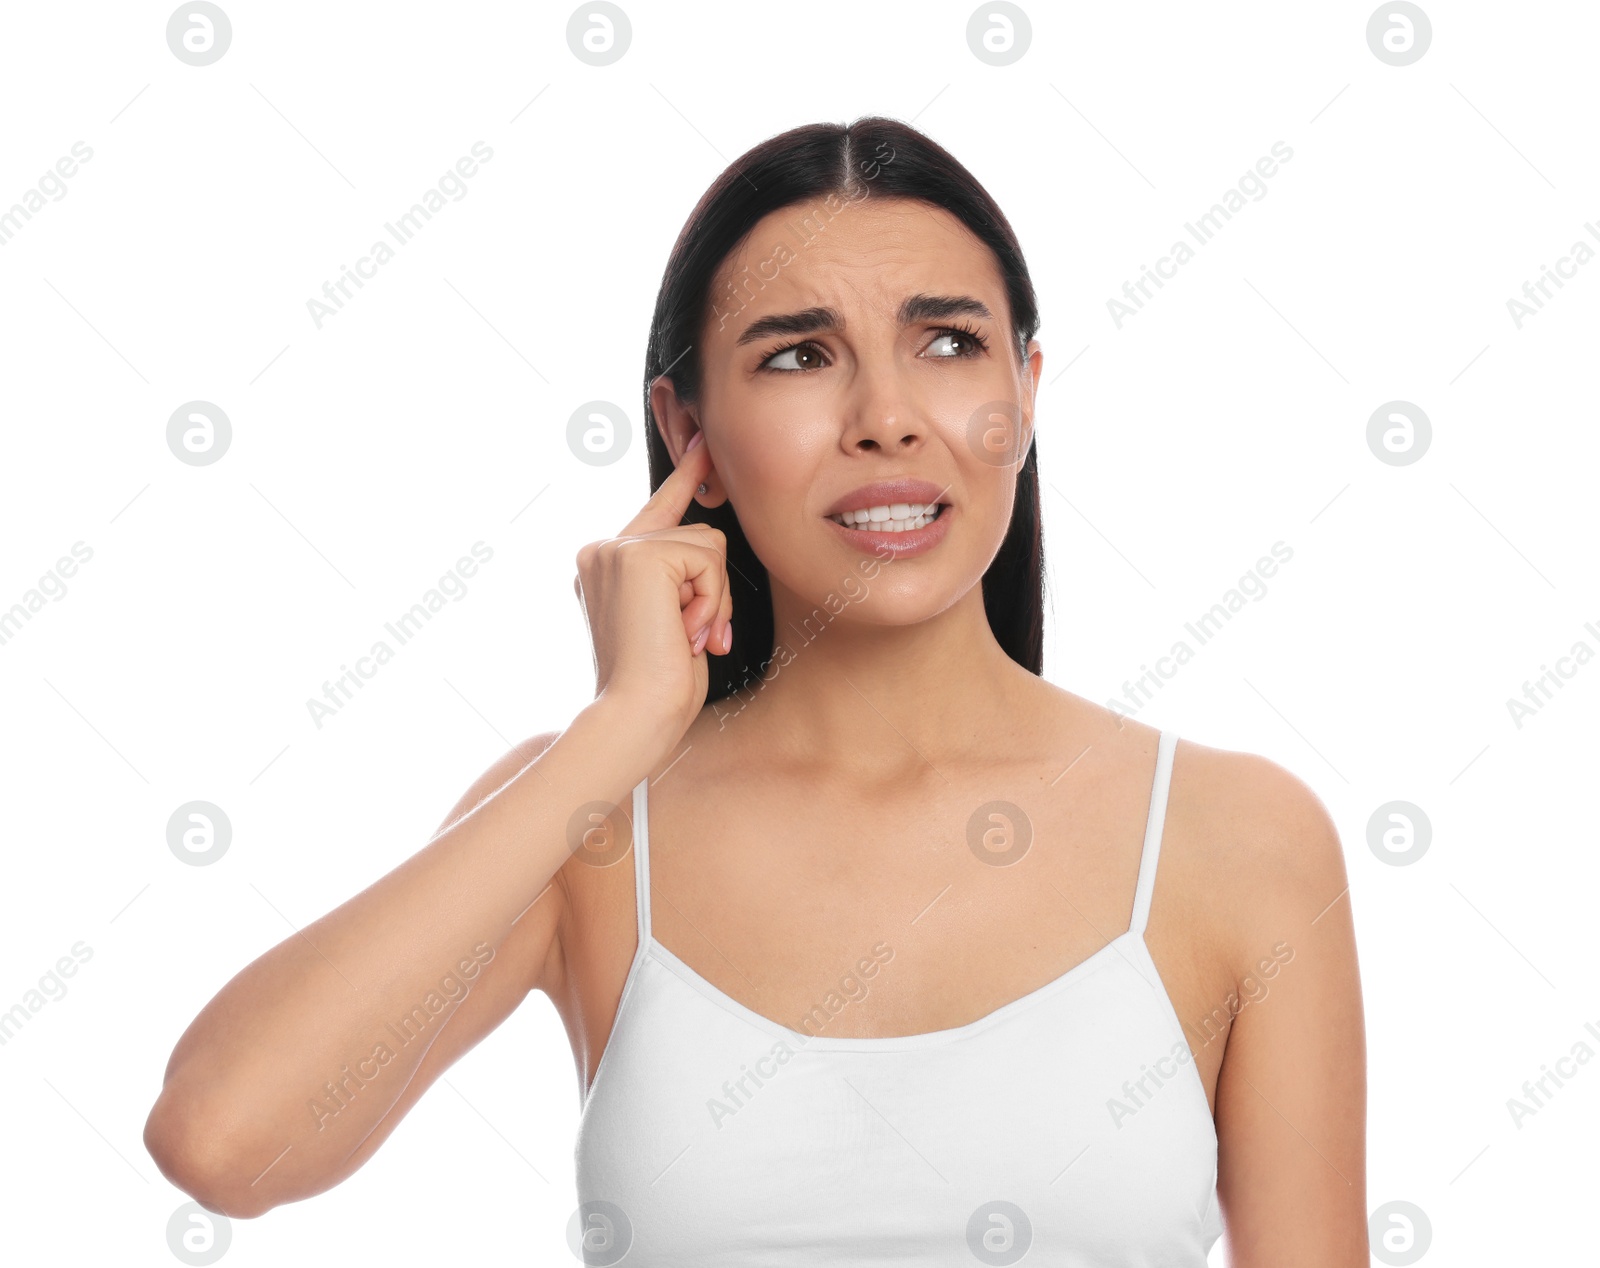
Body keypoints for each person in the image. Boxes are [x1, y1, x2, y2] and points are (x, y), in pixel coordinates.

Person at [144, 116, 1367, 1266]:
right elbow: (223, 1140)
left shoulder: (1235, 837)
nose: (886, 418)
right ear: (693, 437)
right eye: (798, 355)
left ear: (1027, 393)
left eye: (947, 343)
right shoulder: (589, 827)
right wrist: (615, 731)